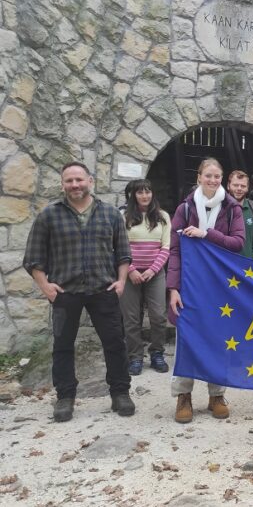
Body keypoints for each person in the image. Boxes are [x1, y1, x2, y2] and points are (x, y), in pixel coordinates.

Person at [23, 161, 135, 422]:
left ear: (90, 181)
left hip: (103, 289)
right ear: (62, 184)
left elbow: (123, 253)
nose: (75, 185)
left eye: (79, 180)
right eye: (69, 180)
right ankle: (65, 397)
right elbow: (33, 257)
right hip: (65, 293)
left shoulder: (109, 214)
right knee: (62, 346)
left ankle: (120, 393)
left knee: (115, 344)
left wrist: (121, 281)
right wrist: (45, 287)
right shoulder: (48, 215)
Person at [167, 158, 245, 423]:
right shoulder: (185, 208)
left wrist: (206, 234)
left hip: (220, 284)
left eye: (217, 176)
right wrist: (173, 288)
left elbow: (237, 243)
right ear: (199, 177)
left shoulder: (232, 208)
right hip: (190, 283)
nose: (213, 180)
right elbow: (175, 250)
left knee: (218, 337)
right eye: (208, 175)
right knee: (186, 337)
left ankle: (216, 395)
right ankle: (183, 396)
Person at [120, 179, 172, 376]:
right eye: (140, 192)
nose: (145, 196)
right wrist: (131, 269)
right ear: (133, 195)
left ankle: (157, 353)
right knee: (132, 318)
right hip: (129, 273)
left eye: (148, 191)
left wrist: (152, 270)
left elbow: (166, 247)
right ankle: (135, 357)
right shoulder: (123, 217)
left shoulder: (163, 217)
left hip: (155, 274)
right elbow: (118, 246)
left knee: (159, 316)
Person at [227, 170, 253, 259]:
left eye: (243, 186)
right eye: (235, 185)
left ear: (248, 188)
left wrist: (252, 256)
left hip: (246, 267)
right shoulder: (219, 208)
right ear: (228, 185)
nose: (239, 188)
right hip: (223, 264)